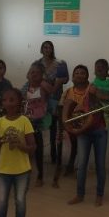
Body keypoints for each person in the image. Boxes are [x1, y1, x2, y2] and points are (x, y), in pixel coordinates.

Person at [0, 88, 36, 217]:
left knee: (20, 201)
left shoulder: (24, 121)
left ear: (19, 102)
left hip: (22, 170)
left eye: (11, 99)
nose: (7, 103)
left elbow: (33, 147)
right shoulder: (1, 121)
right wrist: (3, 140)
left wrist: (21, 145)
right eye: (4, 100)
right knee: (2, 200)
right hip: (4, 169)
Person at [63, 65, 104, 205]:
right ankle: (80, 195)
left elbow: (103, 102)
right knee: (81, 164)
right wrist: (69, 127)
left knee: (100, 164)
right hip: (82, 132)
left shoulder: (93, 88)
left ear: (87, 76)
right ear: (73, 76)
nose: (79, 75)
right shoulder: (69, 92)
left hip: (98, 130)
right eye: (77, 73)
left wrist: (98, 93)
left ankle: (99, 195)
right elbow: (65, 111)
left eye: (83, 73)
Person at [32, 41, 69, 178]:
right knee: (39, 126)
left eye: (49, 47)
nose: (47, 49)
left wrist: (55, 85)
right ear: (41, 49)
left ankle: (55, 154)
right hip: (41, 99)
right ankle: (38, 153)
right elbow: (30, 76)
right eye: (45, 47)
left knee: (55, 126)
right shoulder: (37, 63)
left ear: (52, 49)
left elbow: (65, 79)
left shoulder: (60, 63)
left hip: (56, 98)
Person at [22, 64, 53, 187]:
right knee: (27, 148)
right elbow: (21, 100)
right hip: (27, 120)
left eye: (37, 72)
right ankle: (25, 172)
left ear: (42, 75)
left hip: (39, 122)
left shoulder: (43, 86)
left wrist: (43, 82)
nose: (34, 74)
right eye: (31, 72)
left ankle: (40, 176)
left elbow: (51, 91)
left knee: (38, 149)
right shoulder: (25, 87)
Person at [91, 59, 109, 171]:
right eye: (97, 66)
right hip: (96, 116)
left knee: (107, 143)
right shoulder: (92, 84)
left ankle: (108, 164)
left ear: (107, 69)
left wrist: (100, 95)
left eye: (102, 66)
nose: (99, 68)